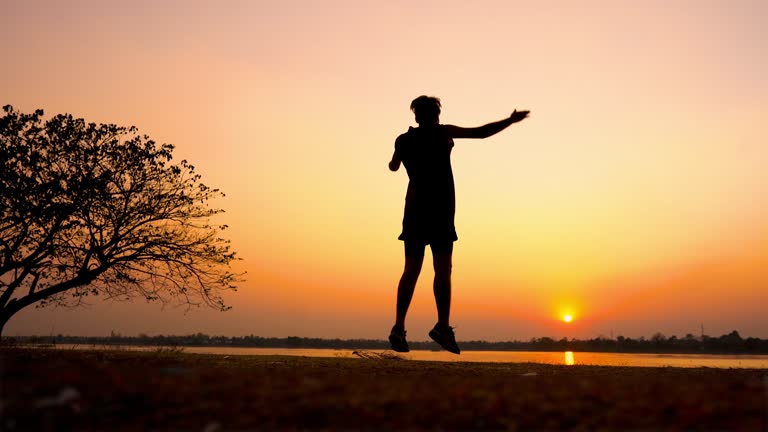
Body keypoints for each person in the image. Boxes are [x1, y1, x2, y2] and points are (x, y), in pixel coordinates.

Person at [388, 95, 530, 354]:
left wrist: (400, 158)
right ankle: (442, 326)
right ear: (436, 115)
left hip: (414, 211)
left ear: (416, 115)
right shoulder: (443, 134)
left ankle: (399, 328)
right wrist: (510, 121)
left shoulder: (404, 139)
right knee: (442, 269)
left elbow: (393, 167)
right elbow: (482, 133)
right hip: (440, 212)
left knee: (411, 270)